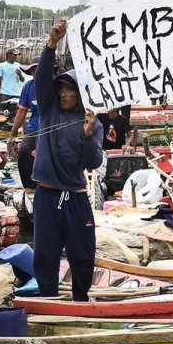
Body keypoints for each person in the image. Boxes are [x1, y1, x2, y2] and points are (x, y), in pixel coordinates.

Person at [31, 19, 104, 302]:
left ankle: (80, 300)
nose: (63, 93)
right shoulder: (48, 108)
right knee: (45, 254)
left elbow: (93, 164)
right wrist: (52, 43)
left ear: (81, 92)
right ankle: (48, 301)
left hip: (75, 197)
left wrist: (86, 135)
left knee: (83, 254)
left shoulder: (91, 123)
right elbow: (42, 78)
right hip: (47, 195)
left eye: (70, 89)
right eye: (60, 88)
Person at [7, 57, 41, 191]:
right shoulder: (28, 86)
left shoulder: (56, 84)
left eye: (39, 69)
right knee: (25, 150)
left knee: (45, 154)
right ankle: (29, 187)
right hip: (34, 127)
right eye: (34, 69)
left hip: (53, 128)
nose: (37, 72)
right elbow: (21, 112)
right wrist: (12, 135)